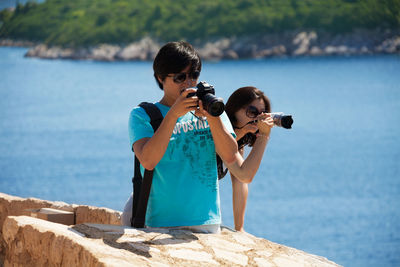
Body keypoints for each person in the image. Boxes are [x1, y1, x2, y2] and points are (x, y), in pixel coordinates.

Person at [121, 41, 238, 233]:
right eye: (180, 77)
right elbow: (148, 160)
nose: (189, 83)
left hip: (206, 220)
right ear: (160, 78)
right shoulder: (142, 115)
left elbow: (231, 155)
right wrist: (173, 115)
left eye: (194, 75)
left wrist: (213, 118)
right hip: (161, 222)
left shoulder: (212, 109)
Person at [225, 86, 274, 232]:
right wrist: (264, 136)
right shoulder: (217, 132)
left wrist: (239, 228)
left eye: (262, 113)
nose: (258, 118)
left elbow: (239, 181)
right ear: (234, 110)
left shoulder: (240, 139)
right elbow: (245, 175)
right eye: (252, 112)